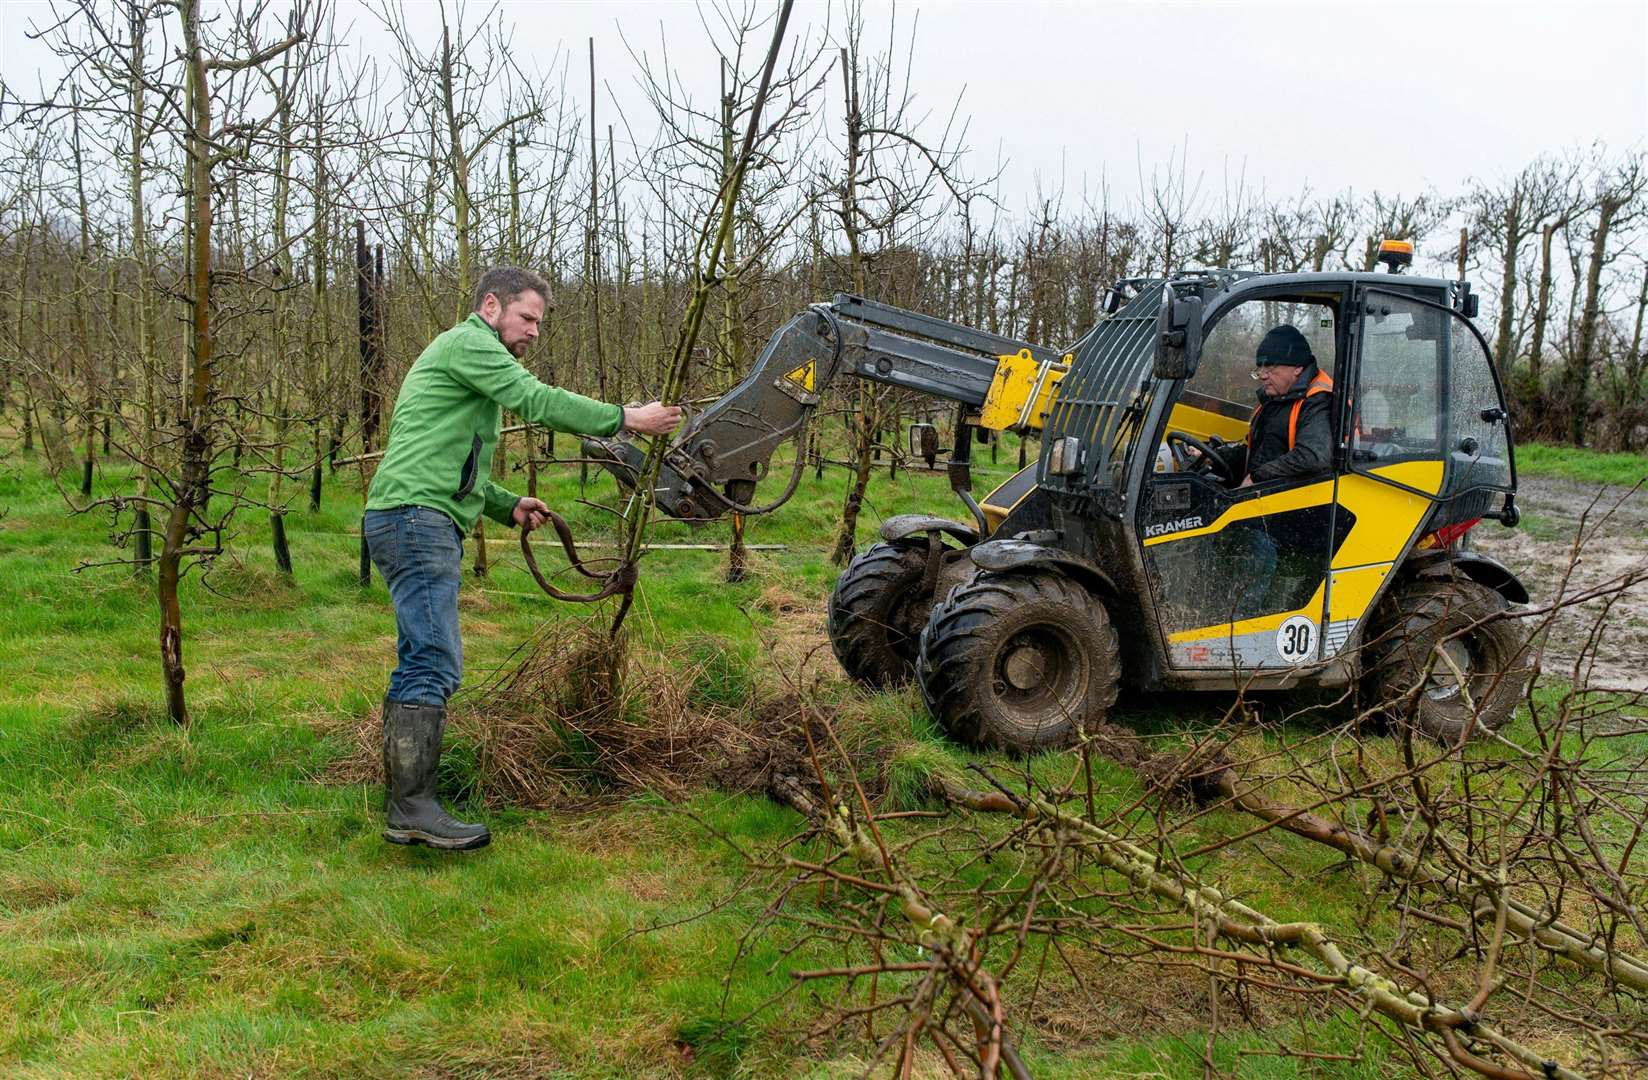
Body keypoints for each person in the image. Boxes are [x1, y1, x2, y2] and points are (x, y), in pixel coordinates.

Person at [363, 267, 682, 851]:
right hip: (416, 519)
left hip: (415, 512)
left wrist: (505, 505)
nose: (535, 331)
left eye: (539, 321)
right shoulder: (469, 344)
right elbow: (536, 400)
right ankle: (412, 807)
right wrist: (627, 419)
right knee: (433, 660)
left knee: (424, 655)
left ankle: (409, 803)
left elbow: (442, 456)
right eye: (527, 317)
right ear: (491, 305)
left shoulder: (465, 358)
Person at [1193, 324, 1335, 619]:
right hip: (1265, 506)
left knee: (1250, 548)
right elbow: (1255, 451)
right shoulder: (1275, 402)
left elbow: (1313, 456)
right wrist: (1212, 457)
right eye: (1259, 368)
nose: (1263, 375)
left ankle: (1242, 623)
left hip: (1301, 516)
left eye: (1270, 367)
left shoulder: (1317, 402)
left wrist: (1257, 477)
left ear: (1296, 367)